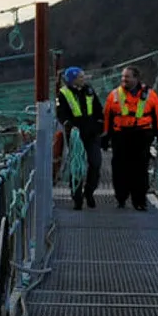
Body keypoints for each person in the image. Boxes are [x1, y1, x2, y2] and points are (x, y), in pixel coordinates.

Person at [101, 66, 158, 211]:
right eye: (123, 77)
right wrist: (105, 135)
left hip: (141, 135)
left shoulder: (150, 95)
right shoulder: (114, 95)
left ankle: (140, 201)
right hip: (120, 135)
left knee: (140, 169)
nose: (124, 79)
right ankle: (121, 198)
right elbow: (107, 116)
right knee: (119, 168)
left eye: (127, 77)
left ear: (136, 78)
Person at [56, 66, 104, 210]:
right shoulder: (63, 94)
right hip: (75, 135)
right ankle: (77, 197)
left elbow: (98, 109)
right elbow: (61, 113)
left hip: (92, 133)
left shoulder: (89, 91)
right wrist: (68, 124)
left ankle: (89, 191)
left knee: (95, 163)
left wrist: (99, 125)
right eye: (80, 77)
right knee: (76, 165)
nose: (83, 79)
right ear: (73, 80)